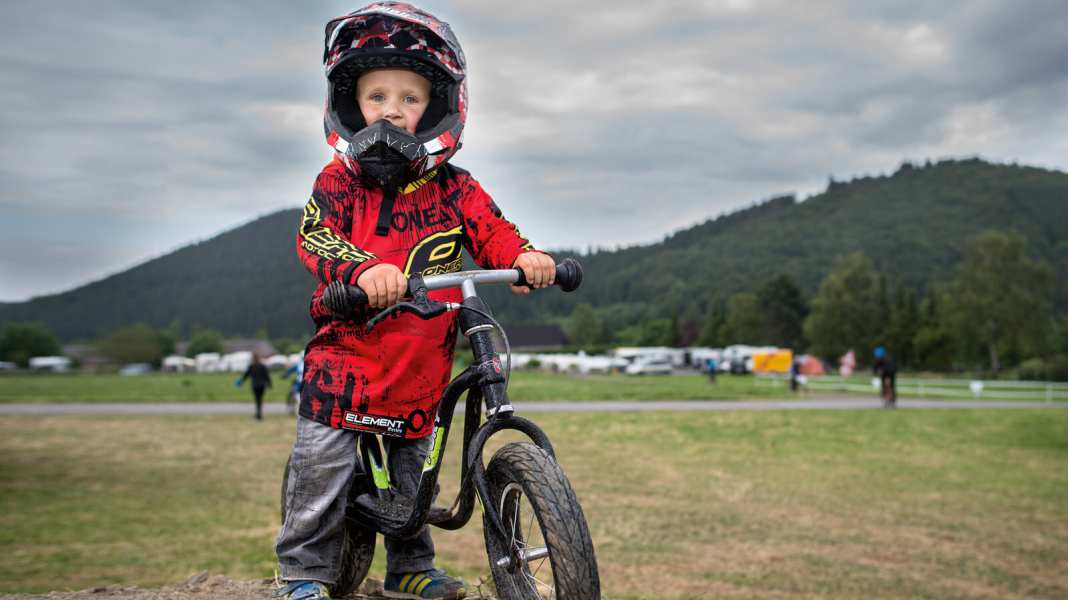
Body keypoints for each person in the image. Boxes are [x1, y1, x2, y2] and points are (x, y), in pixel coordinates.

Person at [274, 4, 556, 600]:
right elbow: (314, 235)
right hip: (345, 358)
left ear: (436, 107)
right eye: (377, 96)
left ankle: (410, 566)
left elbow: (493, 231)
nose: (391, 109)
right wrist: (364, 269)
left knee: (416, 472)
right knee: (321, 470)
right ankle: (303, 572)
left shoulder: (457, 187)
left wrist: (526, 257)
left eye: (409, 97)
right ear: (352, 105)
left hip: (421, 361)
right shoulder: (337, 181)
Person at [236, 353, 271, 420]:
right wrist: (269, 384)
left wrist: (241, 382)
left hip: (255, 385)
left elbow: (246, 375)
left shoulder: (251, 366)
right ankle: (259, 414)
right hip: (262, 385)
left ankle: (258, 414)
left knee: (257, 399)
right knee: (260, 399)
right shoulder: (262, 366)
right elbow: (267, 375)